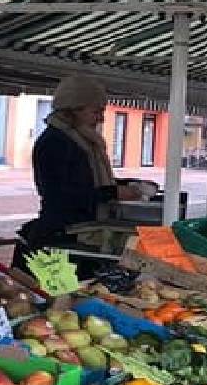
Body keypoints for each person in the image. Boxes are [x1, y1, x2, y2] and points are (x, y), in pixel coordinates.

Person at [16, 75, 139, 269]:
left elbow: (85, 181)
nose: (101, 118)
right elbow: (58, 195)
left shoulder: (84, 141)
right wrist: (111, 192)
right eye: (96, 111)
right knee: (64, 296)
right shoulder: (55, 142)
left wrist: (124, 185)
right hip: (61, 237)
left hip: (83, 235)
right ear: (73, 110)